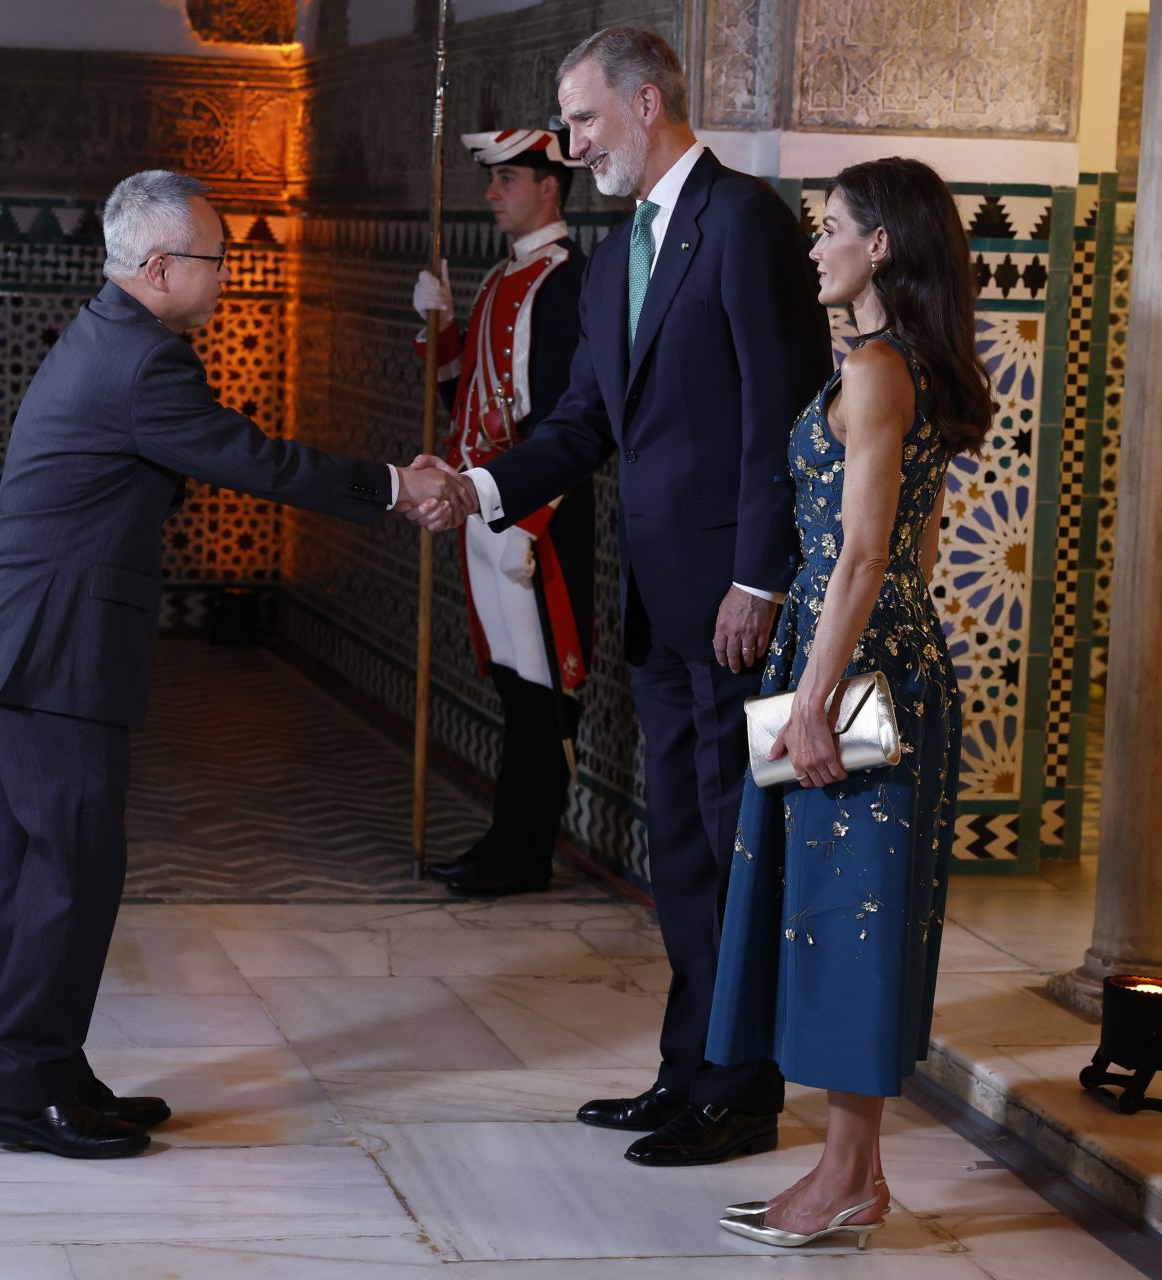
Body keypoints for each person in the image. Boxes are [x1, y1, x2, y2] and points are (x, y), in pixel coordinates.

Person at [0, 169, 468, 1160]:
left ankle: (47, 1067)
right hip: (51, 653)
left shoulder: (110, 332)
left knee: (38, 873)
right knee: (67, 874)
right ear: (159, 267)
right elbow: (256, 460)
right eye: (216, 259)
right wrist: (398, 484)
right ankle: (20, 1090)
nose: (227, 275)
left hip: (18, 643)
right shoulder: (147, 363)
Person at [413, 27, 833, 1166]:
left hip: (735, 606)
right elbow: (583, 423)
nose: (573, 141)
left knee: (741, 842)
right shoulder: (611, 260)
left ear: (648, 105)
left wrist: (760, 575)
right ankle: (687, 1068)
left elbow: (782, 418)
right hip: (655, 606)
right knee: (685, 847)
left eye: (585, 119)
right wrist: (481, 485)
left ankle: (743, 1088)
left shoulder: (744, 222)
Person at [706, 157, 993, 1249]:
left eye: (829, 228)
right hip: (851, 654)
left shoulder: (878, 370)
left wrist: (817, 695)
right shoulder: (890, 363)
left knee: (848, 921)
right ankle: (853, 1176)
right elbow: (909, 545)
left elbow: (871, 553)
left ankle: (840, 1178)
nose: (814, 245)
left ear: (880, 244)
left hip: (855, 666)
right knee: (829, 910)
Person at [410, 127, 593, 899]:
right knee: (515, 691)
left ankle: (525, 851)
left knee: (544, 696)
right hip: (487, 512)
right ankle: (507, 842)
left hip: (533, 524)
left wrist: (532, 520)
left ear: (549, 186)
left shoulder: (563, 283)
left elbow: (563, 425)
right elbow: (469, 403)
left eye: (506, 180)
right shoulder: (501, 279)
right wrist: (441, 328)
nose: (491, 195)